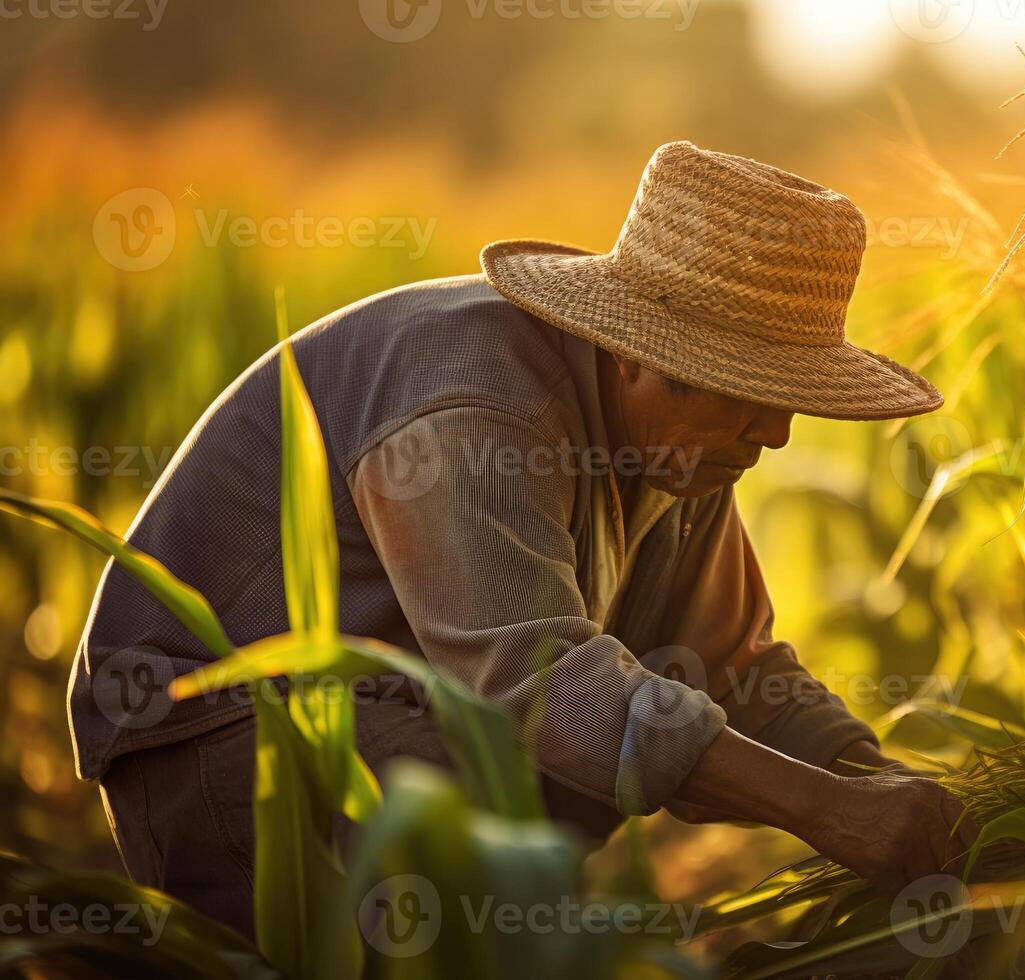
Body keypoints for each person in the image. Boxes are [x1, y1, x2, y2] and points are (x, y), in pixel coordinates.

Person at [69, 140, 970, 938]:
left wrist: (882, 782)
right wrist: (827, 813)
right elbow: (539, 683)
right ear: (639, 355)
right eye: (747, 394)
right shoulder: (475, 407)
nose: (773, 435)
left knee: (578, 776)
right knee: (530, 792)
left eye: (785, 401)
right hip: (224, 743)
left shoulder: (683, 451)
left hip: (411, 726)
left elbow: (738, 669)